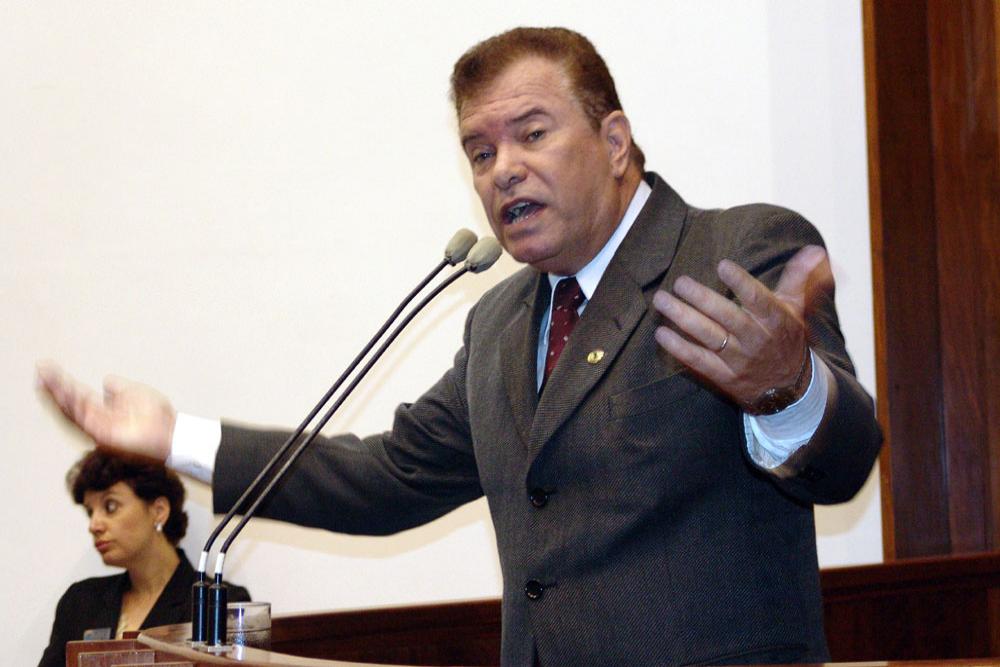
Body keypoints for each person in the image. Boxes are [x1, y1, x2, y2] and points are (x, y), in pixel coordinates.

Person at [37, 27, 881, 666]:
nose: (501, 168)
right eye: (480, 151)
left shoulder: (733, 253)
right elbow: (385, 477)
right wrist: (175, 438)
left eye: (532, 134)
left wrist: (787, 386)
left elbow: (845, 463)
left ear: (614, 141)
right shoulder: (500, 322)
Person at [38, 451, 250, 667]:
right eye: (90, 512)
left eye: (110, 506)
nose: (94, 525)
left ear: (159, 511)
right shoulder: (80, 602)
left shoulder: (220, 605)